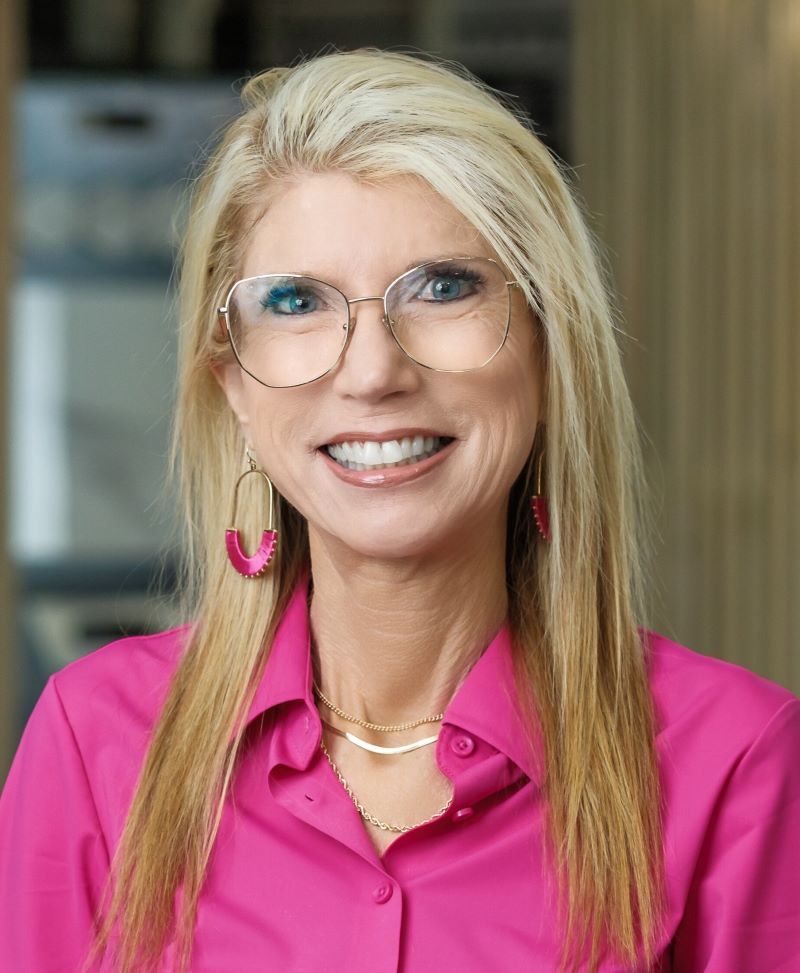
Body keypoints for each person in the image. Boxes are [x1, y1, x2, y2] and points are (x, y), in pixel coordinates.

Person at [1, 49, 798, 973]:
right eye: (296, 301)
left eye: (445, 287)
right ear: (237, 392)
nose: (374, 371)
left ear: (548, 354)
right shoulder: (96, 743)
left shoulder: (735, 766)